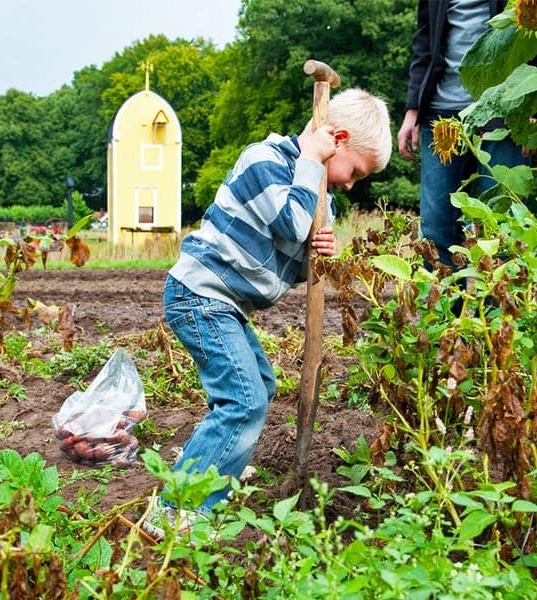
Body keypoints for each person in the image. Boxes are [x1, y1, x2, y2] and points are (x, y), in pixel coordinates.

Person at [146, 87, 393, 539]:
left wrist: (318, 253)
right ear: (334, 139)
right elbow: (290, 223)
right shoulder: (267, 162)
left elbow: (291, 262)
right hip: (198, 294)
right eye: (355, 171)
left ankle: (211, 480)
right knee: (243, 400)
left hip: (225, 304)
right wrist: (312, 165)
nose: (351, 184)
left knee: (258, 385)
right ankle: (174, 510)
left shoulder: (315, 189)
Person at [397, 0, 537, 270]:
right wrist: (414, 107)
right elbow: (424, 38)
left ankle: (498, 312)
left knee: (500, 224)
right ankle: (445, 311)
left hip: (504, 112)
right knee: (436, 227)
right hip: (440, 112)